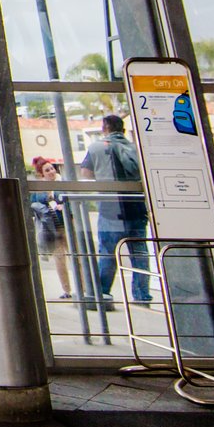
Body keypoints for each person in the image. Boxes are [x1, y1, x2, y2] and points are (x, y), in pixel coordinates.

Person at [82, 114, 151, 306]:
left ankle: (103, 294)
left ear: (104, 128)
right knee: (139, 253)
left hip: (110, 208)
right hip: (137, 207)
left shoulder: (96, 147)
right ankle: (142, 295)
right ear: (122, 129)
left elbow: (86, 174)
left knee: (108, 253)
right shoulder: (136, 148)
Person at [29, 158, 71, 299]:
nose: (51, 171)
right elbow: (33, 202)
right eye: (47, 170)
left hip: (66, 225)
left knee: (75, 256)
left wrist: (63, 205)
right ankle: (66, 290)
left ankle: (83, 288)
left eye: (52, 168)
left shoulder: (62, 182)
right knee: (59, 260)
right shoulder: (40, 189)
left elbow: (70, 199)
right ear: (42, 174)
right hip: (51, 228)